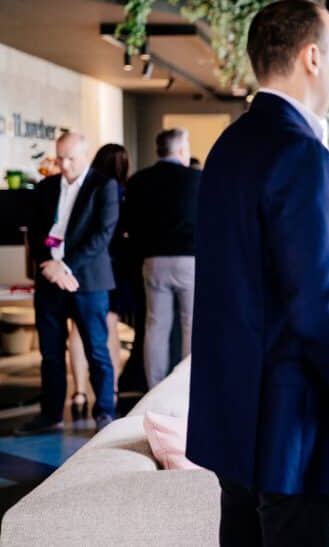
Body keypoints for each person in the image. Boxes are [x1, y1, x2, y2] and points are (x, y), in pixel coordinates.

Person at [187, 0, 329, 547]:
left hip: (238, 426)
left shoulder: (228, 147)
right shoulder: (303, 155)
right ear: (312, 57)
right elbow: (320, 307)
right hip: (301, 432)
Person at [17, 132, 118, 435]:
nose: (64, 165)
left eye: (71, 158)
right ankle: (51, 414)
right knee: (50, 353)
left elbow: (102, 235)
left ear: (85, 155)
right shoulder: (46, 187)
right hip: (50, 281)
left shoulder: (103, 186)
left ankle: (105, 412)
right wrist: (48, 266)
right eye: (60, 158)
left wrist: (64, 265)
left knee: (96, 350)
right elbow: (35, 232)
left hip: (87, 282)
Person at [123, 128, 201, 388]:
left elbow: (130, 224)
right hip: (190, 260)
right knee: (191, 324)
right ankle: (186, 387)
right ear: (181, 150)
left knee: (156, 326)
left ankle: (154, 387)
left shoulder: (138, 181)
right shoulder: (197, 179)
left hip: (153, 260)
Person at [68, 143, 131, 419]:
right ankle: (111, 389)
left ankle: (79, 392)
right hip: (111, 266)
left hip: (81, 264)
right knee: (108, 329)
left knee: (77, 330)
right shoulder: (118, 191)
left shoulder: (85, 189)